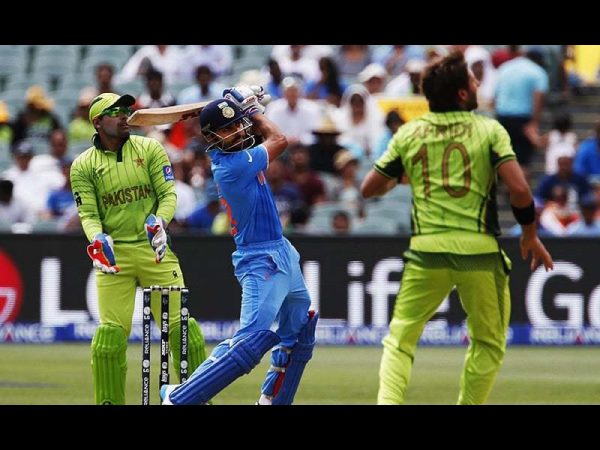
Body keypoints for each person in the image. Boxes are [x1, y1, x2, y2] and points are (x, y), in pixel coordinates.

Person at [360, 51, 554, 405]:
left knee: (399, 339)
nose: (478, 83)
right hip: (479, 252)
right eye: (473, 80)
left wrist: (406, 177)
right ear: (463, 94)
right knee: (488, 342)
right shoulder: (489, 129)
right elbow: (520, 189)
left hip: (426, 251)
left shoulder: (409, 132)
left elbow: (369, 188)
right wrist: (529, 234)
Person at [160, 86, 318, 406]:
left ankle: (272, 399)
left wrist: (246, 108)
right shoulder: (231, 166)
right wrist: (252, 109)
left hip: (281, 251)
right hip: (260, 261)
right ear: (211, 138)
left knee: (300, 329)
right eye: (227, 129)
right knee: (249, 343)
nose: (237, 132)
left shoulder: (242, 153)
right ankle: (179, 397)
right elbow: (279, 140)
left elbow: (261, 135)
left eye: (237, 124)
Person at [69, 92, 208, 405]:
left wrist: (160, 222)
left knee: (183, 333)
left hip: (154, 250)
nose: (124, 115)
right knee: (108, 339)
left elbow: (168, 195)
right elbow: (88, 214)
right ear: (97, 122)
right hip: (114, 257)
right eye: (115, 111)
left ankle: (200, 399)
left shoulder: (150, 148)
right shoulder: (82, 166)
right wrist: (97, 238)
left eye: (125, 109)